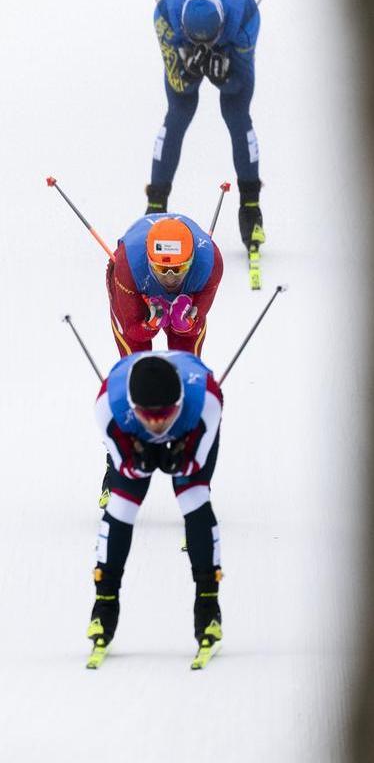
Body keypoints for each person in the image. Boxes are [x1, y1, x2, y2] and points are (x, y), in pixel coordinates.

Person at [87, 352, 224, 656]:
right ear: (134, 407)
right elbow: (125, 469)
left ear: (180, 403)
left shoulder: (207, 402)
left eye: (166, 414)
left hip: (188, 430)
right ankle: (104, 605)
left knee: (194, 497)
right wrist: (140, 462)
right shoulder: (108, 407)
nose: (158, 423)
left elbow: (195, 464)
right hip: (132, 431)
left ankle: (208, 605)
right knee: (121, 505)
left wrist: (180, 459)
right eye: (149, 416)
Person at [145, 0, 265, 255]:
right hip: (183, 36)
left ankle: (251, 206)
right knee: (179, 111)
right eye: (195, 40)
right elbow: (180, 87)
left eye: (207, 41)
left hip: (231, 40)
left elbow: (239, 86)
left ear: (221, 27)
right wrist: (188, 70)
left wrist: (225, 77)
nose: (202, 47)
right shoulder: (165, 16)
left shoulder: (245, 17)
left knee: (237, 114)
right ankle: (155, 205)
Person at [107, 212, 223, 358]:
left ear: (192, 260)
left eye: (178, 269)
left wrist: (186, 326)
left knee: (186, 358)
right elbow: (132, 329)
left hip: (175, 285)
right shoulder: (127, 265)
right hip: (137, 280)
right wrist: (150, 325)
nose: (169, 279)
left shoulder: (210, 263)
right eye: (161, 269)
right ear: (149, 261)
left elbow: (196, 325)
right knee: (136, 362)